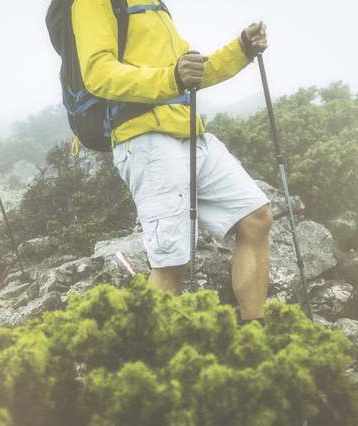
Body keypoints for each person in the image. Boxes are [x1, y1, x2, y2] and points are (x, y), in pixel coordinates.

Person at [71, 1, 273, 323]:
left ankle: (255, 341)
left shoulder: (153, 4)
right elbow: (97, 73)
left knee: (255, 219)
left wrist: (242, 50)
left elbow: (189, 72)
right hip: (146, 137)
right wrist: (171, 78)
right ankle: (146, 366)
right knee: (172, 263)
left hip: (188, 130)